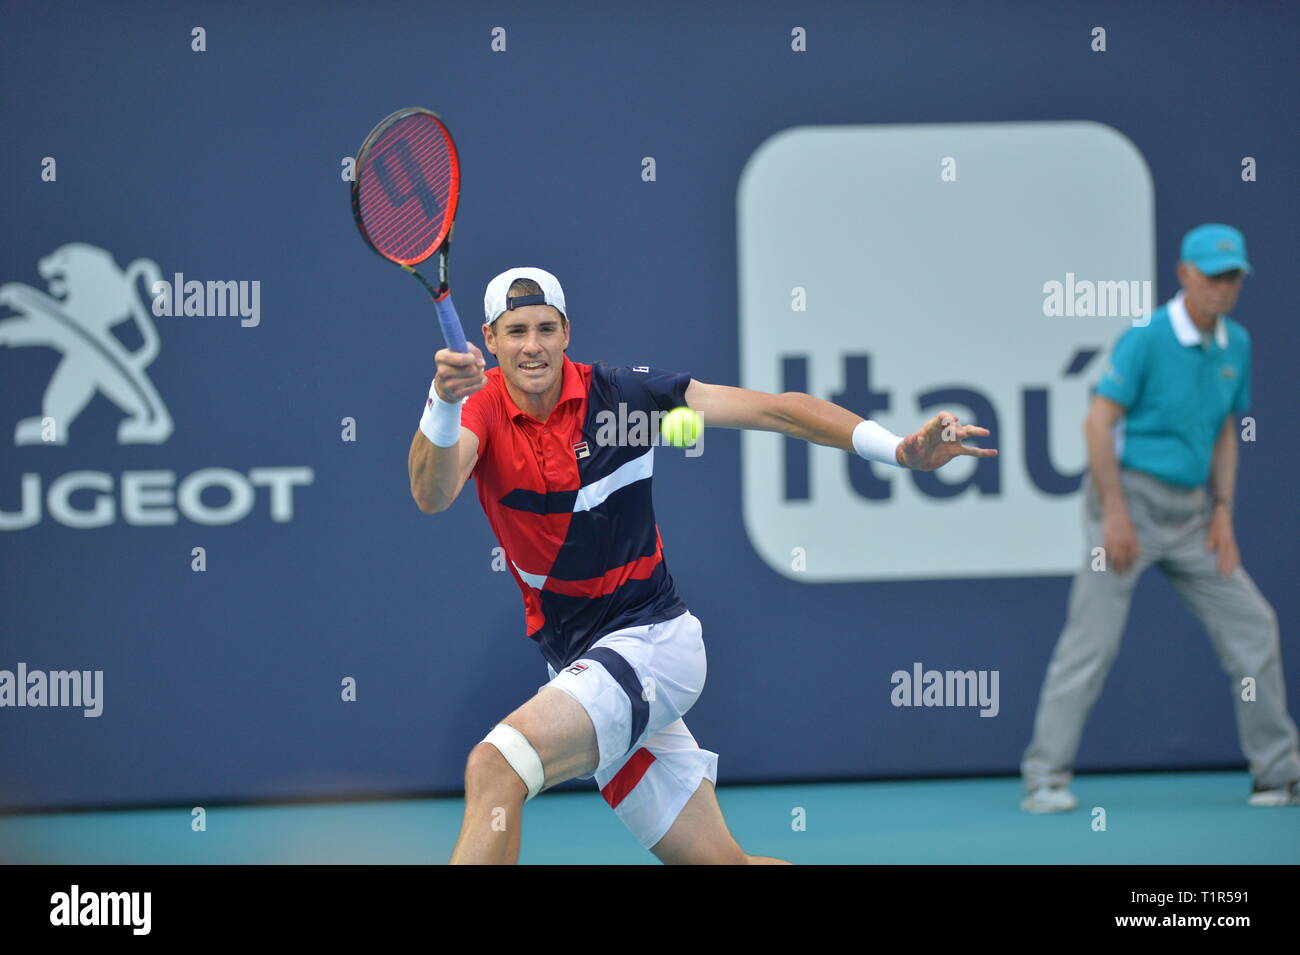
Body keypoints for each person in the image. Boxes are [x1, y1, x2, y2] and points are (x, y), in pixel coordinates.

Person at [409, 266, 996, 863]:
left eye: (544, 329)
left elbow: (777, 411)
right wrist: (441, 403)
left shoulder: (624, 400)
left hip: (653, 643)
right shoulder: (474, 411)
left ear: (567, 332)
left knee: (496, 766)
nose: (531, 346)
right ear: (489, 338)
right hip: (582, 664)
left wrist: (897, 450)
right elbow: (431, 494)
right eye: (515, 332)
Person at [1020, 224, 1300, 812]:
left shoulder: (1237, 345)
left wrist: (1222, 510)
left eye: (1234, 278)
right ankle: (1045, 778)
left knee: (1254, 626)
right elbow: (1097, 424)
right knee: (1090, 645)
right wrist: (1115, 514)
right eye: (1214, 276)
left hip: (1192, 515)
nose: (1225, 288)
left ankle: (1278, 775)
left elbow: (1225, 431)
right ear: (1184, 275)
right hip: (1124, 506)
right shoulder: (1146, 338)